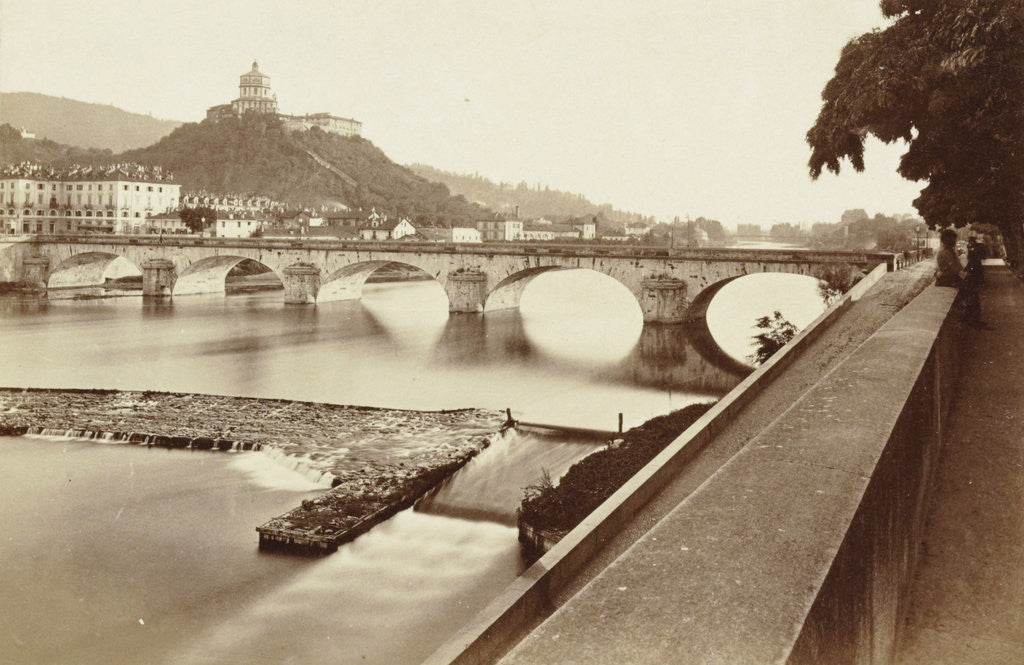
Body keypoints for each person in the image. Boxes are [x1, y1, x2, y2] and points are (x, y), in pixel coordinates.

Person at [936, 229, 985, 327]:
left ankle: (973, 320)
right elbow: (956, 270)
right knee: (971, 291)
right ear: (947, 240)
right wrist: (967, 277)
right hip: (948, 280)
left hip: (950, 278)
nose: (954, 241)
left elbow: (957, 268)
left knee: (971, 291)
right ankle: (973, 321)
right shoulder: (946, 253)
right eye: (953, 239)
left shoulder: (948, 251)